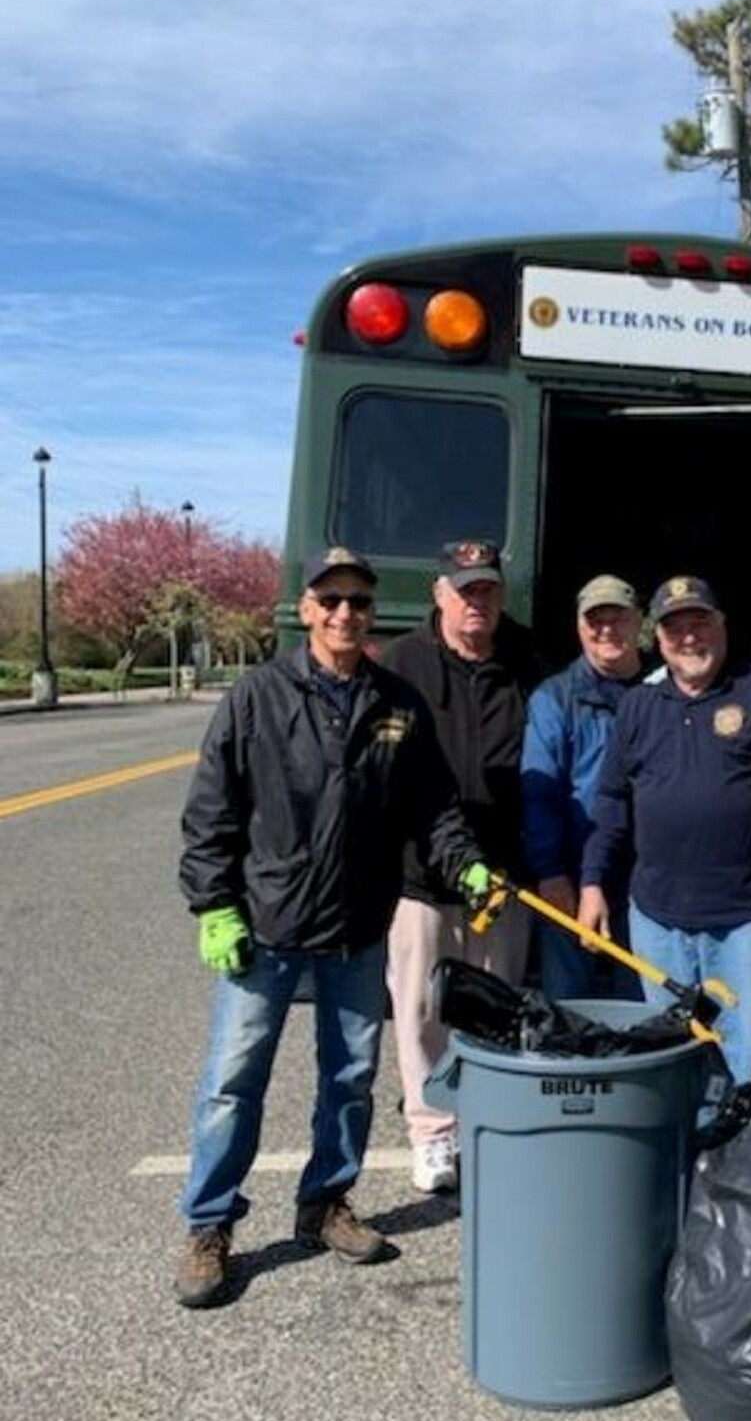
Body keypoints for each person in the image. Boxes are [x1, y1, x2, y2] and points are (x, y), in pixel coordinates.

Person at [175, 546, 494, 1308]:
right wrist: (214, 902)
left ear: (370, 611)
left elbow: (435, 808)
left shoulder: (397, 703)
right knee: (231, 1083)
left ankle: (325, 1203)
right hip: (267, 927)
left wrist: (467, 864)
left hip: (358, 926)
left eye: (358, 600)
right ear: (307, 609)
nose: (345, 612)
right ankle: (208, 1224)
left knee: (349, 1081)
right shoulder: (257, 696)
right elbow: (211, 811)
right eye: (331, 599)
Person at [578, 575, 751, 1085]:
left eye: (700, 622)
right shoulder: (639, 707)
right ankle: (693, 1162)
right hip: (657, 922)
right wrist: (594, 882)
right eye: (675, 627)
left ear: (722, 626)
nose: (689, 637)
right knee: (675, 1062)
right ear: (658, 639)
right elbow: (613, 800)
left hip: (750, 919)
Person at [380, 539, 546, 1194]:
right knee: (422, 1006)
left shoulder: (527, 659)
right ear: (439, 595)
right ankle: (432, 1133)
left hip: (505, 872)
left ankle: (485, 1121)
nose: (477, 602)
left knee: (494, 1004)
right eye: (464, 590)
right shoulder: (403, 663)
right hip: (423, 872)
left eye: (487, 590)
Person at [521, 574, 647, 1000]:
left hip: (649, 879)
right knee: (571, 1008)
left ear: (640, 623)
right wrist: (551, 873)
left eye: (619, 618)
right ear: (579, 628)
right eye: (596, 620)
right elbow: (539, 795)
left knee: (645, 1007)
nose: (607, 630)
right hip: (572, 874)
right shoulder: (554, 699)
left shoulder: (665, 691)